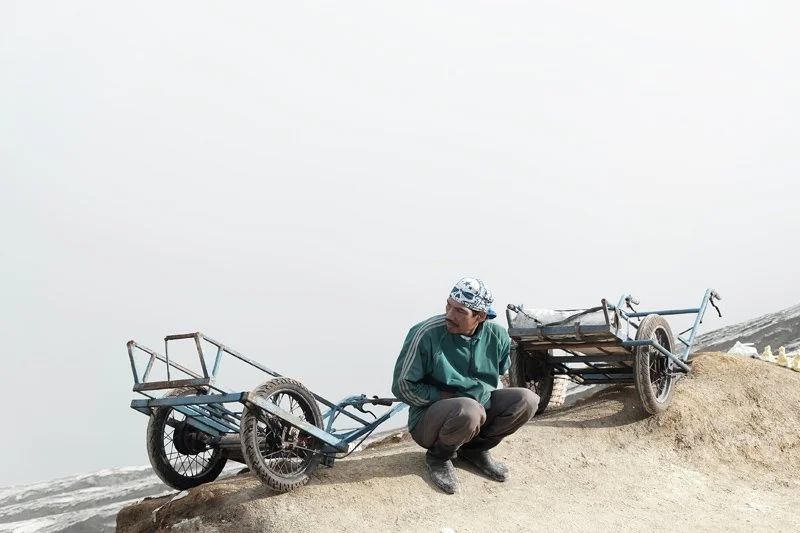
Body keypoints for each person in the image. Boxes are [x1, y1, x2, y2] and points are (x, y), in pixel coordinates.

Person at [391, 277, 539, 494]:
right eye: (448, 305)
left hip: (478, 410)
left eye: (460, 311)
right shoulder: (426, 333)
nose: (450, 315)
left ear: (480, 316)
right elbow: (402, 387)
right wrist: (444, 396)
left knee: (527, 400)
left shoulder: (498, 336)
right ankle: (439, 456)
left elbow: (501, 370)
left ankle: (475, 450)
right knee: (468, 410)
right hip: (430, 419)